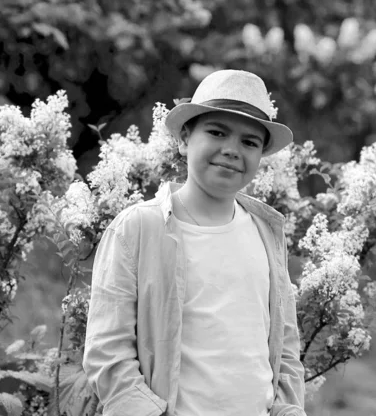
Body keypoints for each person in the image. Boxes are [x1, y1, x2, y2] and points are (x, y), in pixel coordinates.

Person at [83, 69, 307, 416]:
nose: (232, 150)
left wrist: (288, 408)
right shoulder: (139, 229)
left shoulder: (266, 232)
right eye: (217, 132)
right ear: (184, 139)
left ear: (261, 155)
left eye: (249, 142)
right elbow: (107, 353)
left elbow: (285, 346)